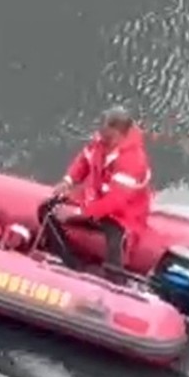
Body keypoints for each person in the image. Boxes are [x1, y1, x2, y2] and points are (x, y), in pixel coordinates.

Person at [41, 105, 152, 269]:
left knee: (117, 238)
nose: (99, 130)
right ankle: (69, 260)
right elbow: (84, 161)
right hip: (94, 201)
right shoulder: (100, 143)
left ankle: (114, 278)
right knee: (47, 210)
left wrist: (79, 213)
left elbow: (115, 202)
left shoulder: (132, 160)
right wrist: (68, 181)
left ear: (116, 131)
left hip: (122, 215)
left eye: (104, 127)